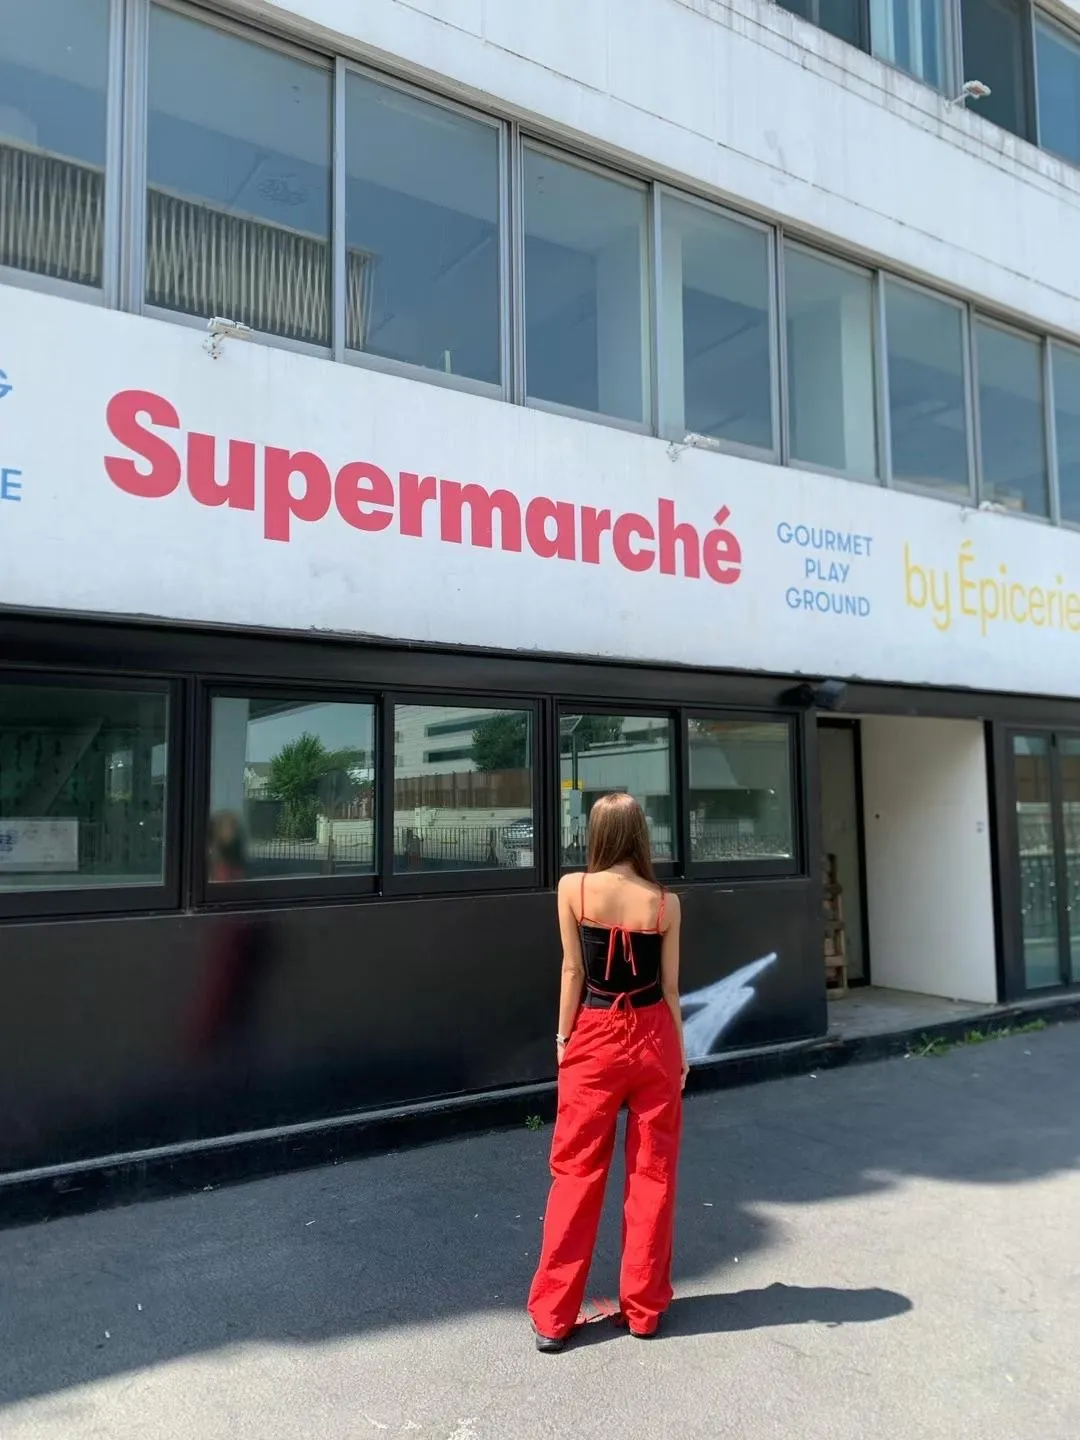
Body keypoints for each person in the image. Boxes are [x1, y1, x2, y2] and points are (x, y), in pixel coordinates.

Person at [527, 792, 688, 1352]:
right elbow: (670, 988)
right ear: (641, 834)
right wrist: (681, 1053)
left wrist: (562, 1037)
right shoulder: (666, 904)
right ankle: (643, 1310)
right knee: (653, 1173)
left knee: (576, 1172)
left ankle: (554, 1317)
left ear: (596, 834)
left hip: (594, 1035)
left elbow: (573, 970)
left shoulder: (573, 888)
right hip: (654, 1035)